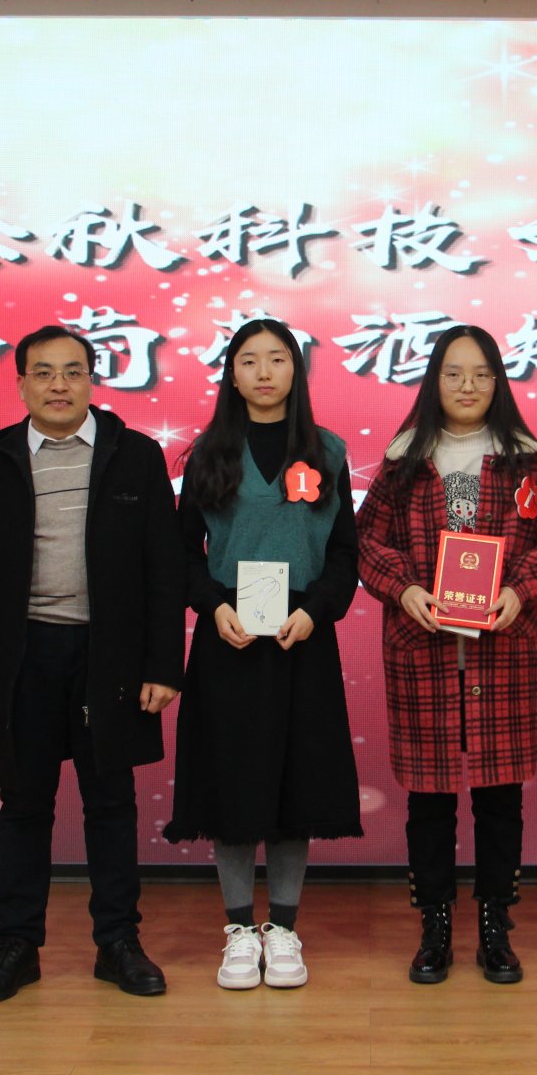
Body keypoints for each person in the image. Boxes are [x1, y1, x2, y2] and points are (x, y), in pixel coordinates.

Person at [0, 324, 185, 1003]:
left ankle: (118, 942)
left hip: (108, 656)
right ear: (21, 383)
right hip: (24, 656)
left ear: (92, 380)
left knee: (111, 801)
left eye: (73, 371)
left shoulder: (135, 457)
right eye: (45, 372)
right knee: (24, 804)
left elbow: (164, 567)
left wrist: (163, 664)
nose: (60, 385)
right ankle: (17, 945)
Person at [356, 324, 537, 985]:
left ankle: (494, 928)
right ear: (434, 381)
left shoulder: (522, 459)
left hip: (504, 655)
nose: (467, 386)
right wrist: (405, 589)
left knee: (498, 797)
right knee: (429, 800)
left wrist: (520, 590)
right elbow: (366, 542)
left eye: (482, 374)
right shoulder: (404, 458)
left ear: (498, 382)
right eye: (454, 373)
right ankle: (434, 928)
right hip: (423, 651)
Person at [164, 317, 363, 990]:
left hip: (301, 639)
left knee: (293, 782)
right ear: (232, 373)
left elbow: (345, 554)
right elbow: (182, 553)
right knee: (231, 783)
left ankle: (282, 928)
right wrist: (212, 606)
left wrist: (315, 611)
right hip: (230, 639)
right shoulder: (207, 455)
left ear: (296, 371)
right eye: (249, 360)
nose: (264, 372)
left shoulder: (328, 453)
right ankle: (237, 931)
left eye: (278, 359)